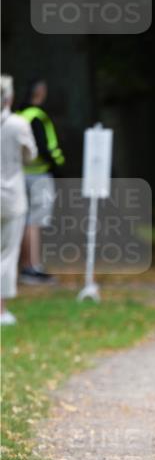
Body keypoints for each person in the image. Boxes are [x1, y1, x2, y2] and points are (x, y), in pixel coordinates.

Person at [16, 78, 64, 284]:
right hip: (39, 176)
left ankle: (25, 266)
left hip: (19, 176)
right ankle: (32, 267)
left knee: (22, 220)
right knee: (34, 222)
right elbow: (43, 148)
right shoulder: (37, 116)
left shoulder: (17, 116)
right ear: (40, 93)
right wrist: (56, 163)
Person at [1, 75, 37, 325]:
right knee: (6, 253)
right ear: (9, 97)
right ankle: (1, 310)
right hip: (11, 195)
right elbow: (30, 155)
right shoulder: (18, 124)